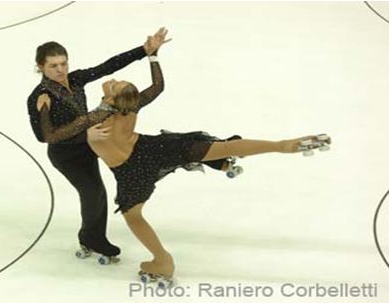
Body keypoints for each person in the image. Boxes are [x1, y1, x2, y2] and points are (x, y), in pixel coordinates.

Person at [37, 28, 331, 284]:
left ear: (112, 99)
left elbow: (52, 135)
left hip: (130, 170)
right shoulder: (134, 104)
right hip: (152, 148)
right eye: (55, 65)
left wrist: (45, 110)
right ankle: (281, 145)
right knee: (220, 146)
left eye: (114, 85)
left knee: (134, 216)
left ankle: (162, 261)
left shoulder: (96, 118)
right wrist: (151, 55)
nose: (111, 80)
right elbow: (157, 86)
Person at [27, 28, 169, 260]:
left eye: (63, 63)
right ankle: (91, 237)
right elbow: (45, 137)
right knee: (93, 192)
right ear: (41, 67)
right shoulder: (39, 96)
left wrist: (145, 51)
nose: (61, 70)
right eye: (53, 66)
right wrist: (83, 134)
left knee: (100, 190)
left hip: (90, 146)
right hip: (66, 154)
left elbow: (108, 66)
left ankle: (92, 236)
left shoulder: (75, 79)